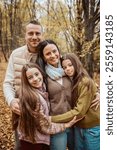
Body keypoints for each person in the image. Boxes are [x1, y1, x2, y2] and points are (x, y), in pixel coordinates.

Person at [36, 40, 100, 150]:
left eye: (54, 51)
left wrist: (98, 92)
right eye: (47, 53)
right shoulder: (42, 75)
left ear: (58, 51)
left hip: (75, 123)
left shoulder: (67, 70)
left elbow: (84, 82)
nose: (52, 55)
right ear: (43, 57)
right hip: (57, 123)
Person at [12, 62, 79, 150]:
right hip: (33, 143)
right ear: (26, 81)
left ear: (41, 73)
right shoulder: (32, 97)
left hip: (38, 139)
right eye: (30, 78)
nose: (35, 79)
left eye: (36, 74)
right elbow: (43, 126)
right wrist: (66, 125)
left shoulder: (41, 89)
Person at [3, 20, 44, 150]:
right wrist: (11, 101)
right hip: (21, 111)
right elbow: (8, 83)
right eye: (30, 33)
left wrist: (96, 90)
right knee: (21, 146)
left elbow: (68, 72)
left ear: (42, 35)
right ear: (25, 35)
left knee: (43, 146)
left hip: (44, 112)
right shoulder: (16, 54)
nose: (34, 37)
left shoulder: (48, 53)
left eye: (37, 33)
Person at [51, 53, 100, 150]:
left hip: (91, 128)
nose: (67, 69)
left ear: (76, 63)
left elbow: (79, 112)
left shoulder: (85, 82)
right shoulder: (72, 81)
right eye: (64, 67)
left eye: (70, 65)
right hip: (78, 127)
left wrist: (52, 119)